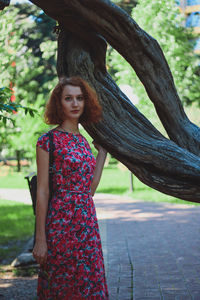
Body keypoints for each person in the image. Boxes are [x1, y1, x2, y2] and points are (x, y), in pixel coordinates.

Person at [32, 77, 109, 299]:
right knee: (61, 284)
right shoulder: (48, 141)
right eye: (68, 98)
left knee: (88, 283)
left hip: (87, 224)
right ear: (59, 103)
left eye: (79, 98)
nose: (75, 104)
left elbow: (90, 190)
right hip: (61, 224)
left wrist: (102, 154)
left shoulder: (84, 142)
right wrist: (40, 238)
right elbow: (43, 191)